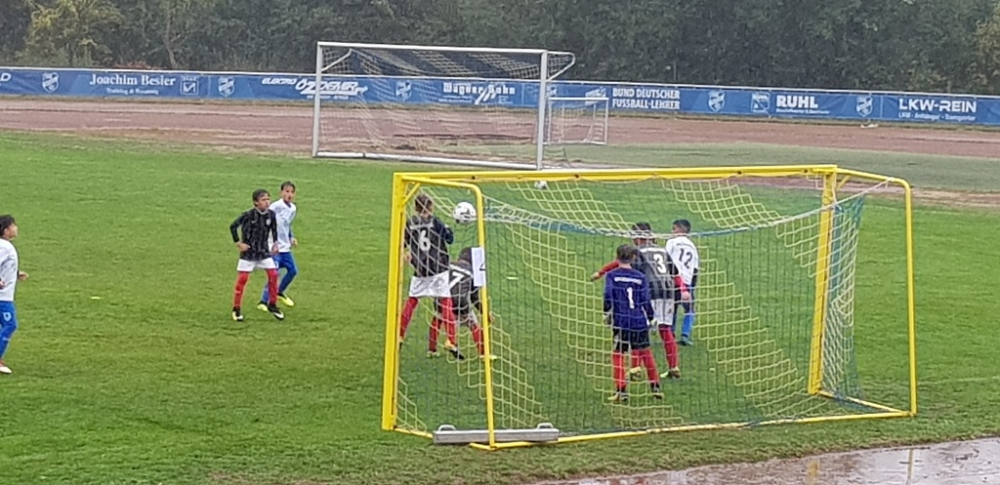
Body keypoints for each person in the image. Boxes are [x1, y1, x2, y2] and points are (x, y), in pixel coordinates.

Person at [591, 223, 684, 379]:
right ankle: (673, 366)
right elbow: (675, 274)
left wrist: (601, 272)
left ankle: (635, 368)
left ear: (638, 236)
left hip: (650, 290)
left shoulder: (638, 252)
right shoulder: (662, 250)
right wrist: (682, 290)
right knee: (665, 329)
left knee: (639, 329)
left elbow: (621, 264)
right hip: (668, 292)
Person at [398, 194, 459, 357]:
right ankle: (451, 339)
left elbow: (403, 243)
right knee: (445, 301)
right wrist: (448, 229)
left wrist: (406, 253)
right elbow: (450, 239)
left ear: (416, 208)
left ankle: (399, 335)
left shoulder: (410, 222)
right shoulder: (435, 221)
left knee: (412, 301)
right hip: (438, 268)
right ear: (430, 206)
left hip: (421, 269)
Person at [604, 244, 662, 402]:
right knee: (646, 353)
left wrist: (606, 312)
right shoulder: (640, 277)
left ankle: (621, 390)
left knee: (618, 354)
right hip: (639, 321)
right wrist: (651, 317)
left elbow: (608, 295)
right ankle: (655, 386)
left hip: (621, 321)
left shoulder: (612, 275)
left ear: (617, 257)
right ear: (634, 258)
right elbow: (645, 299)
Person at [428, 247, 497, 361]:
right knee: (473, 325)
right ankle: (483, 354)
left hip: (442, 298)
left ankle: (432, 350)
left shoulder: (449, 265)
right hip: (460, 301)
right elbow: (474, 298)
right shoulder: (472, 272)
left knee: (437, 319)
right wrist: (485, 312)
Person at [230, 189, 284, 322]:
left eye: (268, 199)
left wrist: (275, 243)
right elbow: (233, 226)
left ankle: (272, 305)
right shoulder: (248, 215)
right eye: (263, 200)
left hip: (263, 252)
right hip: (249, 253)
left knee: (273, 275)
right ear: (256, 202)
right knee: (242, 280)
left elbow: (274, 229)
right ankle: (236, 309)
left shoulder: (271, 215)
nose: (267, 202)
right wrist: (238, 243)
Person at [259, 181, 298, 311]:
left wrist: (291, 236)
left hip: (285, 247)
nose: (289, 194)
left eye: (292, 192)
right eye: (287, 191)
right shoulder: (275, 206)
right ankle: (263, 301)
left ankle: (279, 292)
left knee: (293, 271)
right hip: (273, 246)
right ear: (281, 193)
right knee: (274, 274)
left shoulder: (293, 208)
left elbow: (287, 224)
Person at [0, 215, 28, 375]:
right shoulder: (4, 247)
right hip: (2, 298)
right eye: (13, 226)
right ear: (6, 230)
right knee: (10, 325)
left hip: (4, 296)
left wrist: (15, 274)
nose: (16, 228)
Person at [665, 219, 699, 345]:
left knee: (672, 308)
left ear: (680, 229)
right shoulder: (692, 246)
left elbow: (666, 259)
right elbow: (695, 268)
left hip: (673, 280)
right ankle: (685, 334)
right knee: (689, 310)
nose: (672, 231)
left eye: (674, 229)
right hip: (687, 282)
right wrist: (691, 287)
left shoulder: (672, 242)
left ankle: (671, 334)